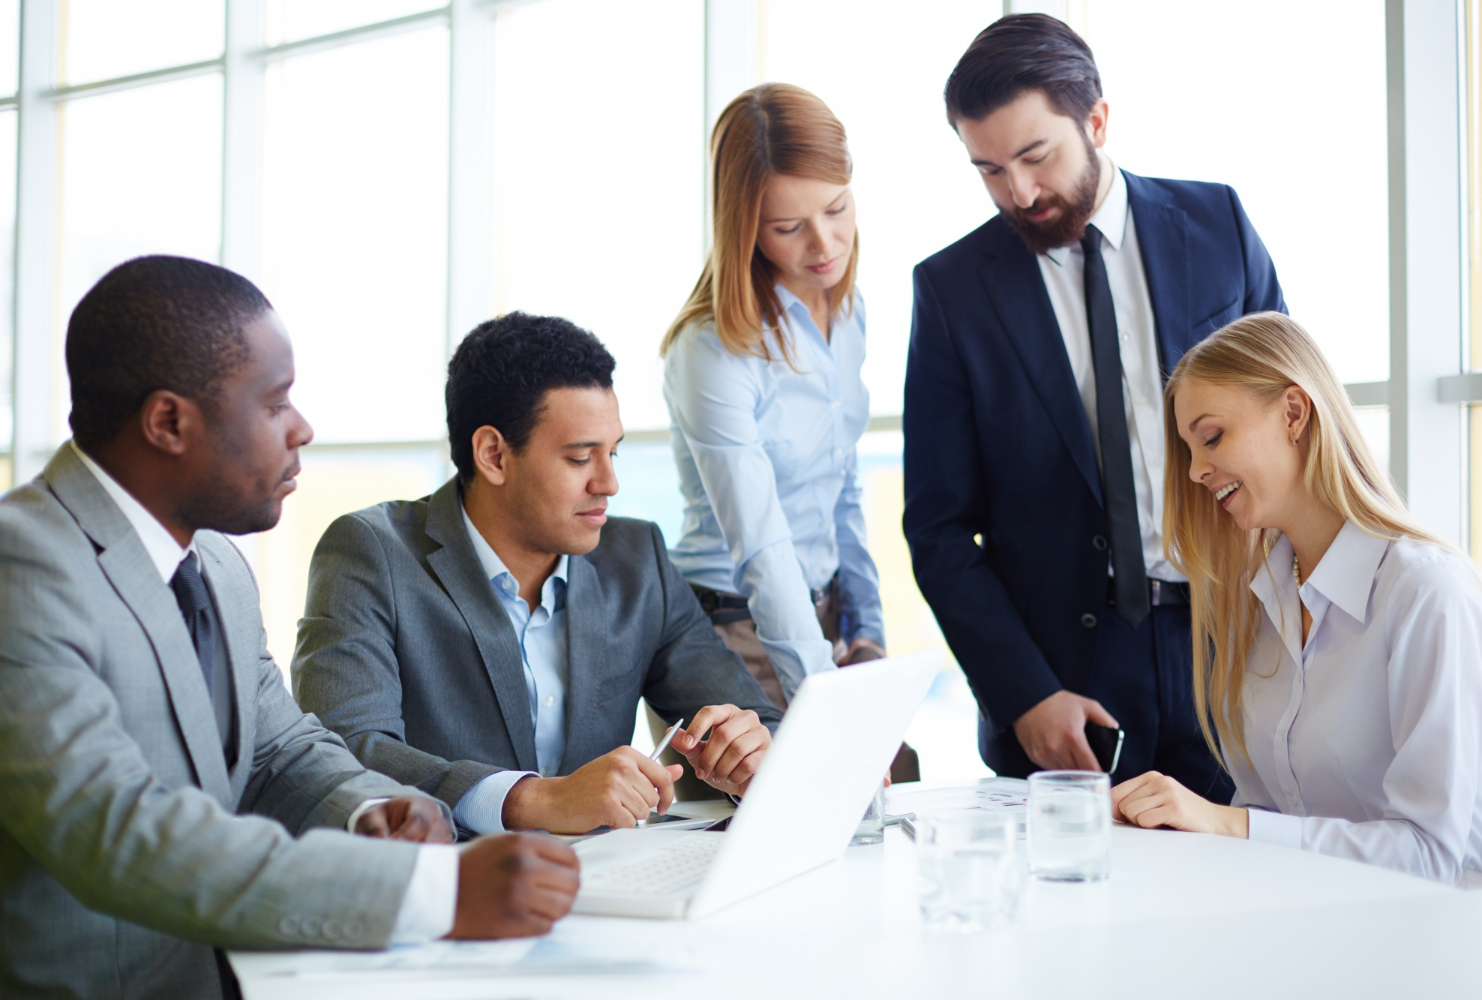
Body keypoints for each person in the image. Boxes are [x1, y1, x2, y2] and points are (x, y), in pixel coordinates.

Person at [0, 257, 580, 1000]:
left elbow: (276, 751)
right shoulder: (25, 564)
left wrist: (372, 810)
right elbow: (112, 830)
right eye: (274, 404)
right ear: (168, 422)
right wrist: (432, 894)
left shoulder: (214, 561)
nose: (302, 428)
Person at [902, 14, 1283, 796]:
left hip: (1234, 650)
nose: (1019, 191)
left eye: (1036, 156)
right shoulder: (951, 290)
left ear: (1097, 120)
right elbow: (937, 526)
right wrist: (1023, 692)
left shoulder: (1218, 228)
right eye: (988, 170)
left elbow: (1293, 430)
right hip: (1062, 685)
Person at [292, 312, 778, 836]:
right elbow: (345, 753)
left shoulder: (637, 558)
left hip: (615, 883)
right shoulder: (371, 553)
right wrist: (532, 800)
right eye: (579, 458)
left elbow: (755, 722)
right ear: (494, 455)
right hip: (453, 888)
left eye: (612, 453)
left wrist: (750, 753)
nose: (609, 483)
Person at [1111, 313, 1482, 888]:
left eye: (1212, 437)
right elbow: (1268, 820)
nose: (1195, 472)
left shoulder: (1425, 593)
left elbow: (1431, 854)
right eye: (1190, 451)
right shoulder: (1258, 601)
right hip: (1304, 924)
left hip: (1432, 941)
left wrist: (1227, 824)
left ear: (1294, 413)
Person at [661, 84, 913, 780]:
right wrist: (822, 701)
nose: (824, 243)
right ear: (743, 225)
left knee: (892, 787)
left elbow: (841, 484)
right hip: (730, 630)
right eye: (787, 227)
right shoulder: (712, 348)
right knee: (801, 806)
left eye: (836, 209)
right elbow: (762, 545)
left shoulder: (849, 312)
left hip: (820, 614)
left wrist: (865, 631)